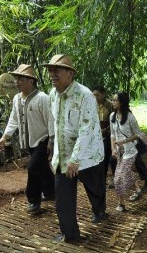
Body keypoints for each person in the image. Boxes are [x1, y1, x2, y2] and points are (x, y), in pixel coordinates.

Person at [43, 54, 106, 244]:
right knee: (63, 198)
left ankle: (99, 210)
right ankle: (70, 234)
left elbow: (87, 129)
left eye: (57, 70)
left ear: (70, 73)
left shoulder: (85, 95)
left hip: (88, 155)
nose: (52, 73)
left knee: (95, 188)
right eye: (50, 70)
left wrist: (75, 159)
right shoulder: (52, 94)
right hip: (63, 156)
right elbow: (55, 124)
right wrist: (54, 151)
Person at [0, 64, 55, 213]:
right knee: (42, 168)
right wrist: (4, 137)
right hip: (28, 142)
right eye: (17, 78)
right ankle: (51, 191)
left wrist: (51, 141)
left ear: (31, 81)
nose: (17, 82)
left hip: (43, 140)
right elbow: (13, 119)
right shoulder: (17, 98)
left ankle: (33, 201)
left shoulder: (43, 98)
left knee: (33, 168)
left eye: (21, 79)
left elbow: (51, 120)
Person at [110, 91, 144, 212]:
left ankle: (121, 204)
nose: (113, 102)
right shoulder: (112, 116)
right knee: (125, 171)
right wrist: (113, 149)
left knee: (118, 177)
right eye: (112, 100)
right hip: (119, 151)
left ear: (122, 102)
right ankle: (138, 189)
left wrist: (125, 141)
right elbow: (112, 134)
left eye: (115, 100)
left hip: (130, 151)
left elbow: (139, 134)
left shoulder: (130, 117)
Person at [92, 85, 115, 189]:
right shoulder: (92, 104)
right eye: (94, 95)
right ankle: (100, 179)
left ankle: (109, 179)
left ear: (103, 94)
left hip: (109, 136)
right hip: (95, 136)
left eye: (97, 95)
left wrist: (105, 130)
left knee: (107, 158)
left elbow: (115, 121)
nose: (95, 97)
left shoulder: (111, 106)